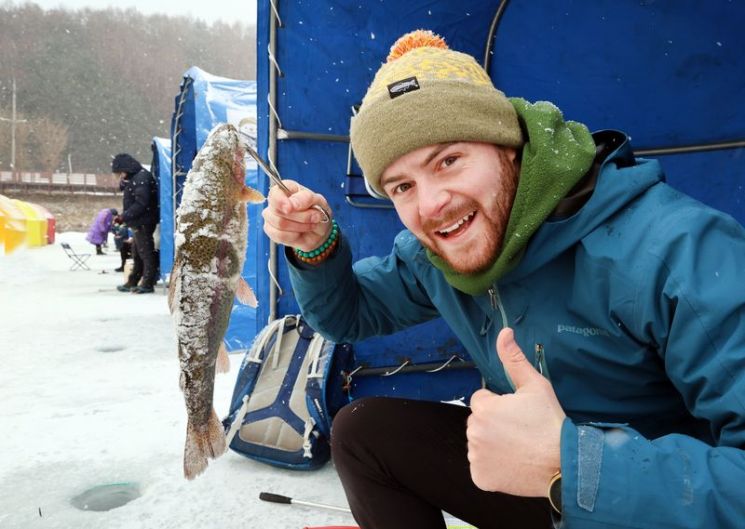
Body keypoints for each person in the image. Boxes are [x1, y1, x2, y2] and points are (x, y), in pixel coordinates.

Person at [262, 30, 745, 529]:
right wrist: (315, 247)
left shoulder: (674, 250)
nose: (430, 206)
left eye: (448, 161)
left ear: (507, 147)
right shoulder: (440, 255)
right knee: (366, 433)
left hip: (655, 502)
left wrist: (571, 468)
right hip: (541, 478)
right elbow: (349, 314)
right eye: (402, 186)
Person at [111, 153, 159, 294]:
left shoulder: (141, 179)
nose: (120, 176)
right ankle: (133, 281)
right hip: (139, 222)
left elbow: (141, 203)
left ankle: (147, 283)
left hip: (143, 222)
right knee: (137, 253)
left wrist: (124, 217)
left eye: (120, 173)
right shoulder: (136, 178)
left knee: (146, 253)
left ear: (126, 169)